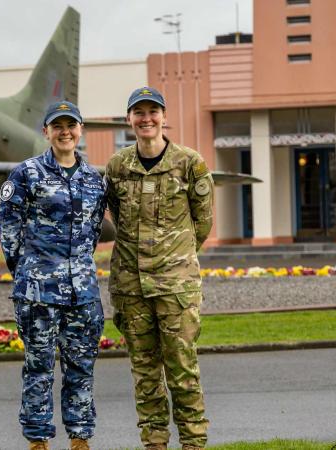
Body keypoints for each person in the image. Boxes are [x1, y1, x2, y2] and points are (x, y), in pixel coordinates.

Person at [104, 86, 213, 450]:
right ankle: (154, 444)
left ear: (165, 118)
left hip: (175, 289)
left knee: (182, 371)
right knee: (145, 374)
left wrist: (174, 257)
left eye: (153, 112)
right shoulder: (118, 167)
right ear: (129, 120)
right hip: (131, 289)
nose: (146, 118)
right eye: (139, 112)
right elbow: (118, 219)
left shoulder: (189, 163)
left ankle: (194, 444)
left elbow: (203, 222)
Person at [0, 100, 106, 450]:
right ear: (46, 131)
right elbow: (8, 227)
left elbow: (93, 229)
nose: (65, 132)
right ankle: (38, 440)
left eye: (71, 125)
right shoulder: (26, 174)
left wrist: (79, 267)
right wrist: (28, 269)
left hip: (83, 293)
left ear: (80, 130)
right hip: (38, 292)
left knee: (81, 369)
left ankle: (80, 438)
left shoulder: (93, 179)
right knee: (38, 369)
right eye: (57, 126)